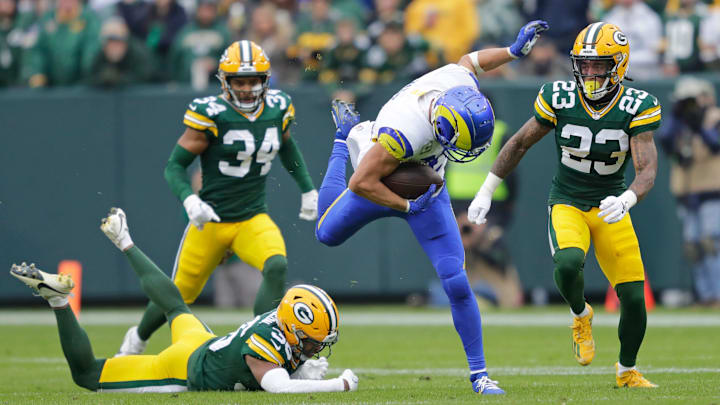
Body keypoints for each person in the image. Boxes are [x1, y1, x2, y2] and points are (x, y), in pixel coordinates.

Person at [314, 20, 550, 395]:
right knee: (325, 233)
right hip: (381, 176)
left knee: (456, 280)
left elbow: (470, 59)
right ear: (441, 126)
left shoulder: (461, 87)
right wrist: (407, 204)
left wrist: (512, 51)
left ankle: (480, 375)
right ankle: (343, 140)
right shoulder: (401, 132)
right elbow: (362, 183)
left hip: (426, 188)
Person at [469, 22, 661, 388]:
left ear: (618, 65)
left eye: (598, 65)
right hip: (568, 201)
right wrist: (487, 189)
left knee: (634, 297)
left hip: (609, 205)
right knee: (570, 262)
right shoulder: (559, 97)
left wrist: (627, 198)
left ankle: (627, 370)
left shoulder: (638, 105)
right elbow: (519, 143)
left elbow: (648, 168)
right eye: (583, 64)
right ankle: (580, 313)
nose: (589, 72)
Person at [10, 208, 358, 393]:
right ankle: (59, 301)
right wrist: (334, 384)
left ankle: (126, 241)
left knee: (176, 305)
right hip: (181, 368)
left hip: (203, 341)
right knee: (87, 375)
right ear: (294, 330)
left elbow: (280, 369)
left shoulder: (279, 321)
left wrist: (298, 367)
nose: (316, 348)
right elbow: (278, 388)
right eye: (312, 342)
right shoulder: (267, 343)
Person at [116, 40, 319, 357]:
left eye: (253, 80)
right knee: (178, 294)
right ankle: (138, 337)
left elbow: (287, 146)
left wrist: (307, 188)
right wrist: (189, 200)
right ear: (225, 82)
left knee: (277, 265)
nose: (248, 88)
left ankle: (265, 347)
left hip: (252, 216)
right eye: (240, 81)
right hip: (211, 219)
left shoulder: (279, 107)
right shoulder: (211, 113)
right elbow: (174, 166)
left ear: (265, 80)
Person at [657, 76, 720, 306]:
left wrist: (699, 126)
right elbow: (664, 140)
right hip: (686, 190)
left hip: (712, 188)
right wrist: (676, 115)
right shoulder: (679, 122)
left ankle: (717, 293)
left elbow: (715, 144)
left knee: (710, 241)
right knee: (693, 245)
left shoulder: (714, 117)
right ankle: (705, 295)